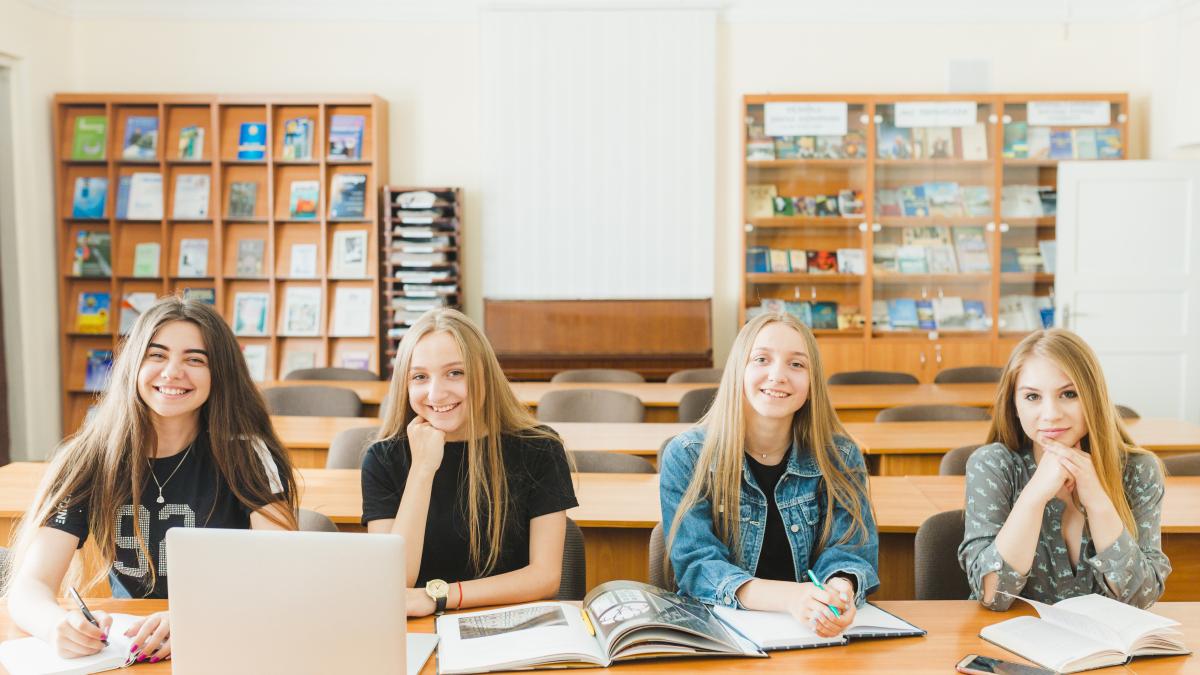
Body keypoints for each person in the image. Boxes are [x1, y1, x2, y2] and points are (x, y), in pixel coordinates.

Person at [3, 297, 297, 662]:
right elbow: (29, 587)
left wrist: (195, 618)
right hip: (131, 649)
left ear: (220, 373)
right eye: (156, 355)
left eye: (195, 359)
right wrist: (55, 626)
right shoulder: (89, 458)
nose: (172, 372)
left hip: (226, 637)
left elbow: (284, 571)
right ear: (133, 365)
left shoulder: (250, 455)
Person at [660, 312, 878, 637]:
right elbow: (697, 566)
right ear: (739, 370)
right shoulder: (689, 456)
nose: (778, 376)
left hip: (812, 632)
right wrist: (790, 597)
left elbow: (850, 550)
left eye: (797, 364)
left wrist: (840, 590)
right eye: (762, 359)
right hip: (720, 632)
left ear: (812, 381)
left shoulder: (841, 456)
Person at [361, 308, 577, 617]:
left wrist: (439, 597)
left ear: (484, 374)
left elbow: (545, 577)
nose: (436, 393)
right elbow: (393, 581)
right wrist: (423, 468)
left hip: (510, 619)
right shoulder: (382, 459)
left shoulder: (540, 449)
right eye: (420, 376)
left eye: (455, 373)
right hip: (417, 629)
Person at [959, 329, 1169, 610]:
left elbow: (1140, 597)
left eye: (1068, 394)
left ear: (1093, 398)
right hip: (1012, 644)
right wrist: (1033, 496)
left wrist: (1097, 500)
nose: (1051, 414)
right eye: (1032, 397)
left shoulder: (1139, 471)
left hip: (1106, 648)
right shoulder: (991, 466)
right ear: (1015, 405)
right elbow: (994, 596)